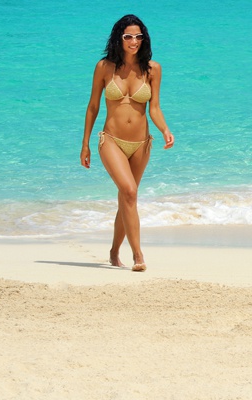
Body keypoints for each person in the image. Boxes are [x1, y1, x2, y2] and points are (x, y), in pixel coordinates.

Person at [80, 14, 175, 272]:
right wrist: (85, 144)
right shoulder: (104, 67)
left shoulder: (153, 69)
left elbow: (154, 108)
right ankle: (138, 256)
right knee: (130, 193)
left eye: (138, 36)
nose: (134, 41)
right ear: (118, 38)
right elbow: (93, 107)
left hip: (141, 144)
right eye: (128, 36)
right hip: (111, 140)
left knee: (127, 197)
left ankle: (114, 252)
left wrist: (165, 130)